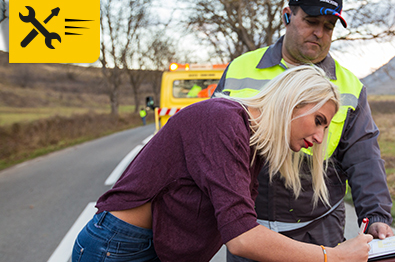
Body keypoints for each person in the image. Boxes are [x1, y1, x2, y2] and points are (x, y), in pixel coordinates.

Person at [71, 66, 372, 262]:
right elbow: (242, 237)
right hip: (118, 247)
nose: (321, 137)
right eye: (318, 121)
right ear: (291, 101)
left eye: (326, 127)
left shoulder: (252, 140)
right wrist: (333, 257)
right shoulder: (223, 120)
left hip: (151, 246)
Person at [214, 0, 394, 261]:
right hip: (251, 231)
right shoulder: (240, 69)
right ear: (287, 15)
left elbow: (364, 157)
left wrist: (376, 213)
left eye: (329, 26)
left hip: (317, 231)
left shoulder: (350, 87)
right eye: (311, 21)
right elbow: (215, 148)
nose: (319, 33)